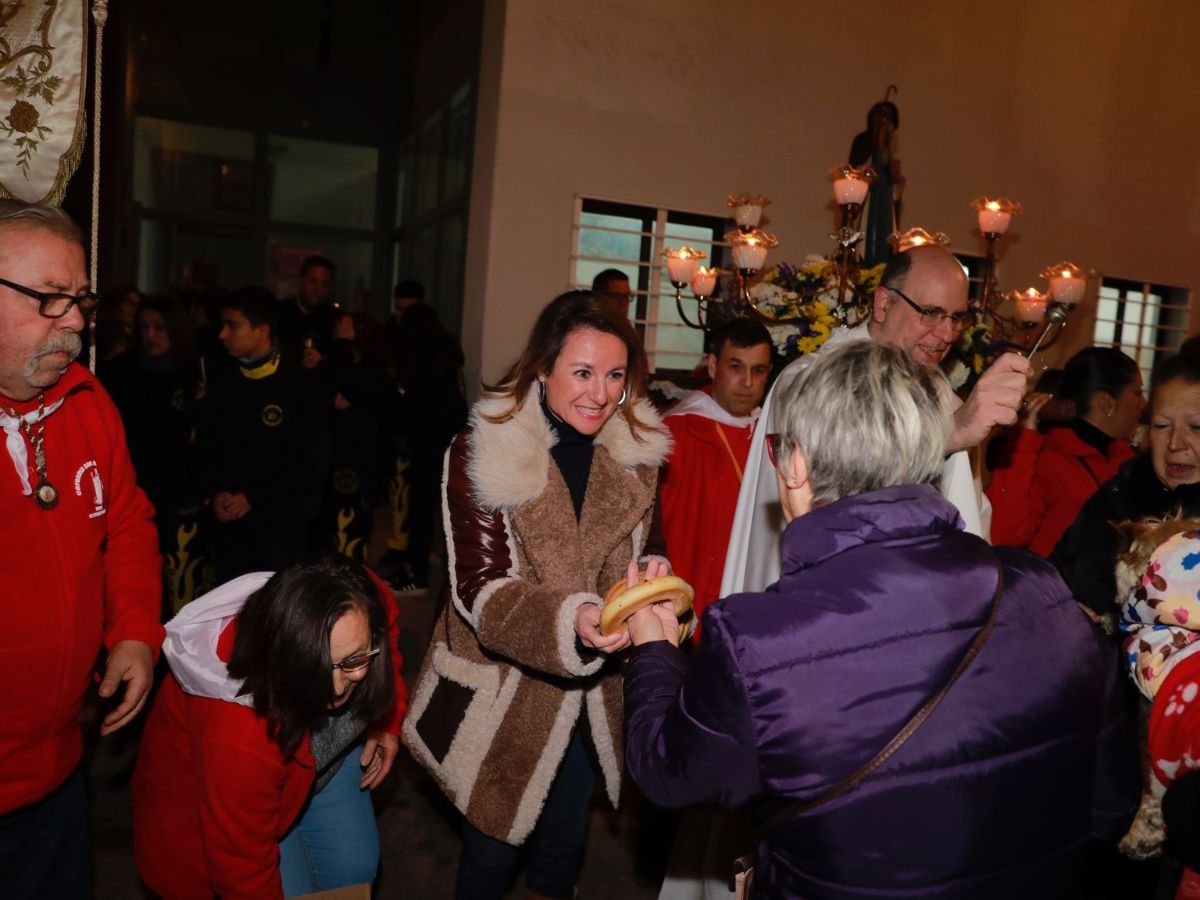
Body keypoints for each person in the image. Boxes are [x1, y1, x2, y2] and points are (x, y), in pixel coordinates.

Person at [623, 341, 1138, 899]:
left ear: (795, 467)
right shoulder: (1043, 590)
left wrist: (654, 649)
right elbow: (1108, 806)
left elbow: (673, 773)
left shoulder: (757, 640)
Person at [402, 290, 672, 900]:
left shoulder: (637, 453)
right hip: (503, 684)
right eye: (581, 372)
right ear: (543, 368)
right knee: (492, 844)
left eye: (614, 375)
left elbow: (637, 547)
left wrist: (649, 572)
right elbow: (479, 587)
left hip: (590, 684)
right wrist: (570, 618)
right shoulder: (482, 451)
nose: (599, 395)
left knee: (565, 841)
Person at [0, 200, 163, 896]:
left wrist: (133, 633)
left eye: (79, 300)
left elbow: (125, 521)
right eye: (49, 299)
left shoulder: (89, 401)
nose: (74, 320)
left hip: (60, 769)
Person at [724, 244, 1029, 598]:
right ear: (883, 304)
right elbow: (842, 468)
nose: (947, 335)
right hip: (823, 600)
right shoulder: (809, 379)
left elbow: (971, 508)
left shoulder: (943, 393)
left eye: (956, 317)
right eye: (930, 313)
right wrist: (954, 431)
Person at [132, 556, 406, 898]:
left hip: (312, 768)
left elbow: (388, 625)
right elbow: (241, 868)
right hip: (238, 812)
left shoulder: (356, 596)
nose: (336, 690)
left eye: (353, 659)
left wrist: (387, 719)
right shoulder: (240, 728)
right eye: (314, 666)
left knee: (354, 872)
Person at [192, 286, 333, 580]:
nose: (222, 335)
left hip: (280, 526)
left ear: (261, 331)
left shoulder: (300, 380)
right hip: (228, 523)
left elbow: (309, 460)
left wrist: (254, 497)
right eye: (222, 326)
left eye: (233, 326)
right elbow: (205, 445)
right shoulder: (221, 378)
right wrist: (214, 492)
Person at [1054, 353, 1200, 616]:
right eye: (1162, 425)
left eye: (1197, 427)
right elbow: (1058, 584)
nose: (1175, 443)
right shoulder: (1115, 500)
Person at [659, 318, 772, 641]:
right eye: (735, 367)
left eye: (759, 370)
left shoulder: (770, 432)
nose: (747, 382)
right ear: (712, 366)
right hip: (696, 594)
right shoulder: (677, 433)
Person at [102, 296, 210, 613]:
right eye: (144, 327)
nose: (151, 335)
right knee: (134, 576)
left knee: (182, 581)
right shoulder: (121, 372)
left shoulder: (197, 372)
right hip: (132, 488)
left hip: (184, 494)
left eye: (159, 327)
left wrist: (206, 485)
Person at [988, 347, 1143, 557]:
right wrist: (1024, 440)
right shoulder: (1049, 457)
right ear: (1107, 402)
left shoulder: (1127, 459)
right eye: (1137, 392)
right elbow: (1002, 536)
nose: (1143, 404)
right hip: (1050, 586)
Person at [277, 254, 338, 369]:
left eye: (324, 283)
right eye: (312, 281)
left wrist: (323, 359)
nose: (317, 288)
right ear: (301, 281)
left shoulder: (335, 320)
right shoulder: (279, 311)